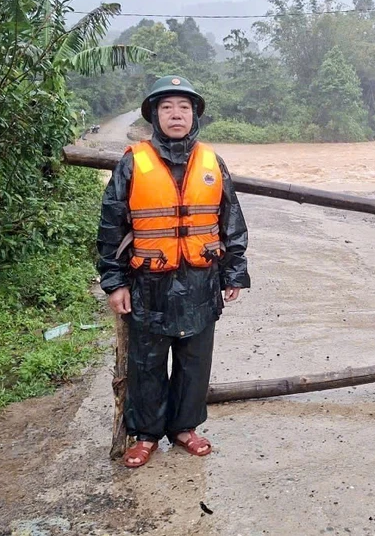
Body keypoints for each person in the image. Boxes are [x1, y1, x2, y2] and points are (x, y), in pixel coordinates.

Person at [97, 75, 250, 466]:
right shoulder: (133, 162)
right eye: (167, 108)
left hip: (201, 280)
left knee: (194, 359)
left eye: (184, 107)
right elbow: (111, 225)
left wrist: (233, 273)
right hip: (149, 282)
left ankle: (185, 428)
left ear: (194, 114)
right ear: (154, 116)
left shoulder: (213, 163)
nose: (176, 114)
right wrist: (114, 283)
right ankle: (145, 434)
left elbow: (230, 220)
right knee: (146, 361)